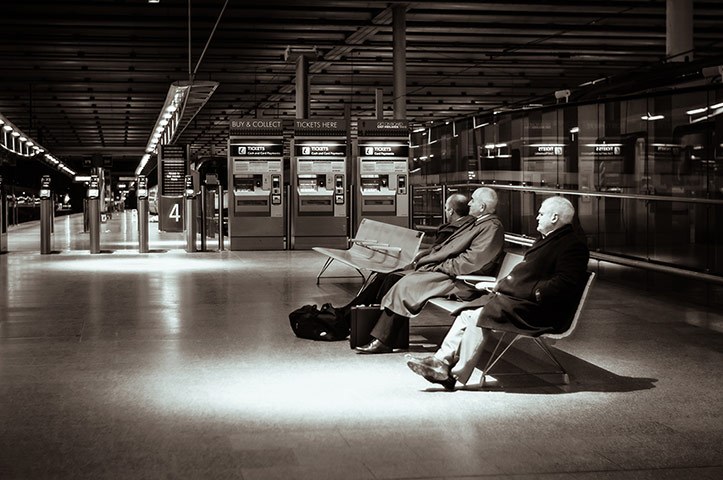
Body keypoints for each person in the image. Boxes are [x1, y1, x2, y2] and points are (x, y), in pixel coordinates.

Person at [406, 196, 590, 389]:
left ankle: (453, 374)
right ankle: (441, 362)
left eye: (541, 214)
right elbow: (528, 276)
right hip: (522, 302)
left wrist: (524, 292)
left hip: (539, 310)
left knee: (480, 314)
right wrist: (500, 286)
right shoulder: (550, 240)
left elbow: (564, 284)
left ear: (554, 218)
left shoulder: (572, 245)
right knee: (467, 312)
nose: (537, 217)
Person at [355, 187, 505, 354]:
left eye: (473, 200)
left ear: (482, 207)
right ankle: (381, 335)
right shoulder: (479, 223)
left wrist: (439, 266)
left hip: (462, 280)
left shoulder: (491, 227)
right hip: (449, 274)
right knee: (398, 279)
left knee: (407, 285)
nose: (469, 203)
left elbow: (471, 261)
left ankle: (384, 340)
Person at [341, 193, 475, 313]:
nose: (445, 211)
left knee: (388, 278)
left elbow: (438, 253)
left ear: (451, 211)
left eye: (446, 208)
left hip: (434, 274)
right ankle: (353, 312)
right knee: (385, 278)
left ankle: (357, 314)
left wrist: (419, 260)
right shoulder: (468, 226)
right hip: (433, 270)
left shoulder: (452, 229)